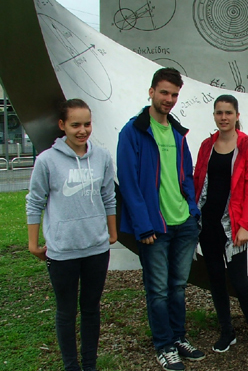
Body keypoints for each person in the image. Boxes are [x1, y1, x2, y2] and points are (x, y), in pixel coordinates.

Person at [117, 68, 204, 370]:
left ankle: (178, 337)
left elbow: (187, 176)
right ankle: (164, 345)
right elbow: (128, 183)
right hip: (155, 227)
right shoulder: (134, 132)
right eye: (164, 92)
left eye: (174, 94)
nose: (169, 99)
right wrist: (143, 224)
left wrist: (193, 211)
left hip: (183, 224)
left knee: (178, 286)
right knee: (157, 289)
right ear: (151, 91)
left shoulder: (178, 133)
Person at [26, 98, 118, 371]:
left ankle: (89, 365)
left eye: (87, 124)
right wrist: (33, 244)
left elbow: (108, 197)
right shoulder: (47, 161)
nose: (82, 130)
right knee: (66, 313)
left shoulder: (102, 157)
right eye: (75, 124)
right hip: (63, 251)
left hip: (96, 250)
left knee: (91, 309)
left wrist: (111, 232)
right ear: (62, 125)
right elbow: (35, 201)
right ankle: (71, 366)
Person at [193, 94, 248, 354]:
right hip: (209, 224)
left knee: (239, 281)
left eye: (228, 112)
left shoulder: (247, 147)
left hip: (234, 226)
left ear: (237, 115)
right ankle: (227, 332)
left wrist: (246, 225)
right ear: (214, 115)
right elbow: (198, 180)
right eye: (219, 112)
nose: (223, 117)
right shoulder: (206, 146)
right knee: (215, 279)